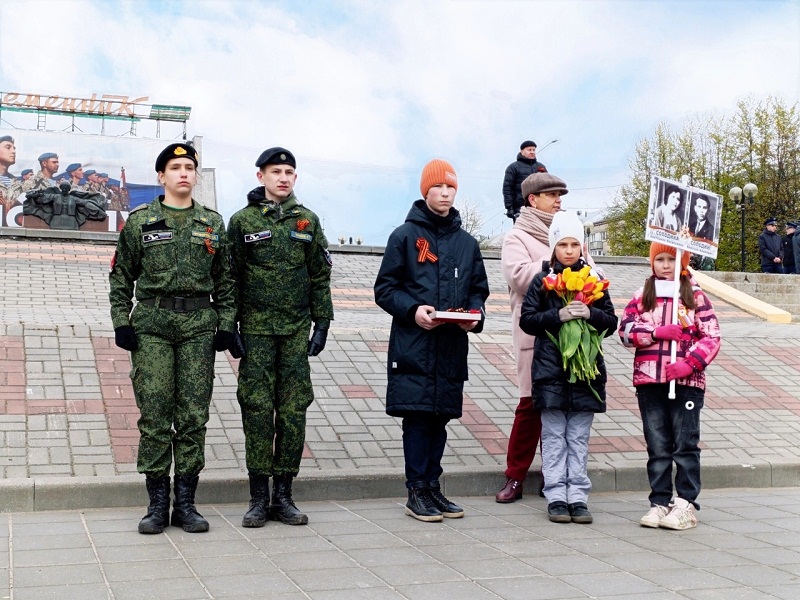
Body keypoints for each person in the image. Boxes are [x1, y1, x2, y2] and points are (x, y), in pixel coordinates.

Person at [109, 142, 237, 535]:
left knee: (193, 415)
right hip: (153, 325)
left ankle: (186, 504)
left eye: (189, 167)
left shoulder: (213, 223)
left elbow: (227, 281)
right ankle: (156, 504)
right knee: (156, 415)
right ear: (161, 176)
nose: (184, 173)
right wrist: (121, 322)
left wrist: (226, 323)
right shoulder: (140, 221)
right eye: (175, 167)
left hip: (199, 325)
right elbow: (120, 277)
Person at [374, 159, 490, 522]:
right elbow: (385, 290)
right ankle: (416, 490)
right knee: (418, 419)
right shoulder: (404, 236)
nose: (444, 193)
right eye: (438, 187)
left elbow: (478, 291)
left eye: (450, 187)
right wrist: (413, 310)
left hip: (450, 347)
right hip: (414, 346)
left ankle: (433, 487)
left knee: (440, 420)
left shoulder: (467, 243)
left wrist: (475, 317)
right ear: (425, 190)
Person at [228, 147, 334, 528]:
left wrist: (322, 324)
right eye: (276, 171)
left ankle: (284, 496)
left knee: (292, 412)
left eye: (289, 171)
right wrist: (230, 326)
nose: (284, 178)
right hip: (255, 332)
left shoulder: (307, 220)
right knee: (256, 411)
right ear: (261, 177)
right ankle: (258, 498)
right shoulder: (242, 221)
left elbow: (320, 276)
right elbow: (230, 278)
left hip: (293, 333)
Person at [518, 211, 616, 524]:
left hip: (585, 373)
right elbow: (528, 320)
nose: (570, 250)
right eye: (563, 244)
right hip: (550, 372)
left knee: (578, 437)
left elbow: (611, 321)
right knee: (553, 436)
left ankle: (578, 495)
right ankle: (556, 494)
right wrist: (556, 316)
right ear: (553, 247)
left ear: (583, 246)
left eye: (575, 243)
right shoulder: (543, 281)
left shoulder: (594, 280)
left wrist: (590, 314)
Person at [618, 243, 721, 530]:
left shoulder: (694, 295)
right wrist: (653, 332)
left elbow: (712, 336)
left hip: (686, 382)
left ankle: (685, 503)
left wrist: (690, 363)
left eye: (672, 260)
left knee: (685, 443)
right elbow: (624, 331)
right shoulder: (643, 295)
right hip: (651, 380)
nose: (665, 265)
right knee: (658, 444)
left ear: (683, 263)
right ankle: (659, 502)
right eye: (660, 259)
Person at [496, 172, 567, 503]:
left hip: (569, 334)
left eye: (559, 195)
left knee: (561, 406)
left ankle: (552, 476)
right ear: (532, 199)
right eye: (551, 194)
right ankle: (515, 476)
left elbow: (595, 274)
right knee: (530, 405)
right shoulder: (517, 237)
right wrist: (558, 265)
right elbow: (520, 276)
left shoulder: (567, 233)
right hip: (534, 334)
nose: (558, 200)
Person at [502, 140, 547, 222]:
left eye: (534, 150)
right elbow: (507, 189)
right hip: (521, 209)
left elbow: (548, 187)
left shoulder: (541, 167)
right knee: (523, 233)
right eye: (529, 150)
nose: (532, 152)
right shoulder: (513, 168)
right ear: (522, 151)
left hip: (540, 208)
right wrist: (509, 208)